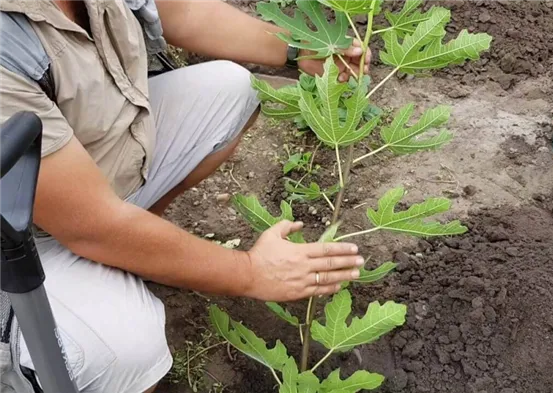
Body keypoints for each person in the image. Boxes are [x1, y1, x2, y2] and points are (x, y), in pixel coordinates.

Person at [0, 0, 371, 392]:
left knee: (232, 89)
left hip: (83, 169)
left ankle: (127, 260)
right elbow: (91, 225)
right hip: (18, 242)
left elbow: (184, 13)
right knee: (130, 352)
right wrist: (251, 272)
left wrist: (299, 49)